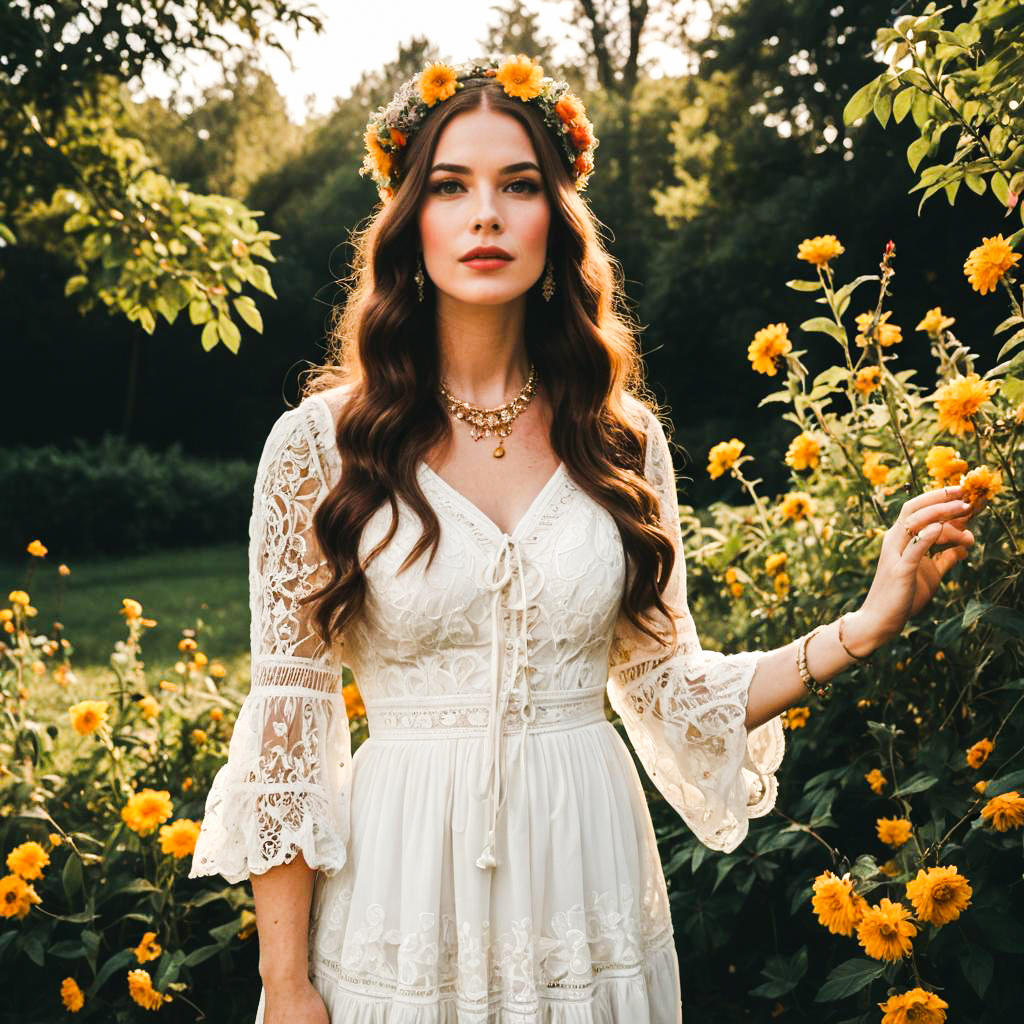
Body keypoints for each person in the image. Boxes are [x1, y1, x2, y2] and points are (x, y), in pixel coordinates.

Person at [187, 54, 976, 1024]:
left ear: (556, 219)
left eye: (518, 185)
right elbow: (290, 736)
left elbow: (666, 687)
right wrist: (286, 983)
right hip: (400, 883)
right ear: (409, 220)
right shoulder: (319, 449)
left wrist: (863, 623)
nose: (485, 214)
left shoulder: (622, 439)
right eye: (449, 185)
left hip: (585, 878)